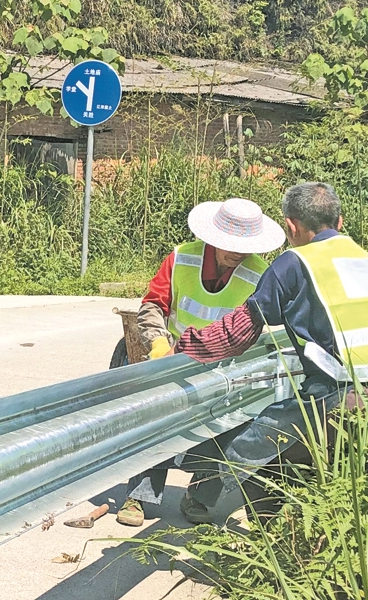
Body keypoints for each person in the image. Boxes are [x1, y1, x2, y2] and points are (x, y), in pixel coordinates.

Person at [172, 180, 368, 521]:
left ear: (291, 226)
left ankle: (218, 511)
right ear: (340, 221)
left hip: (332, 398)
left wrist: (184, 346)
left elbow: (238, 333)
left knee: (251, 444)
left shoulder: (295, 262)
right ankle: (292, 533)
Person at [117, 197, 283, 526]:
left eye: (244, 247)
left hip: (226, 369)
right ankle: (140, 496)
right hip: (174, 357)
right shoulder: (182, 258)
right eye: (229, 245)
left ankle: (199, 496)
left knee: (223, 427)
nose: (236, 253)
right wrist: (159, 344)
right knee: (154, 422)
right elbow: (152, 305)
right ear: (212, 237)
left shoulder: (260, 275)